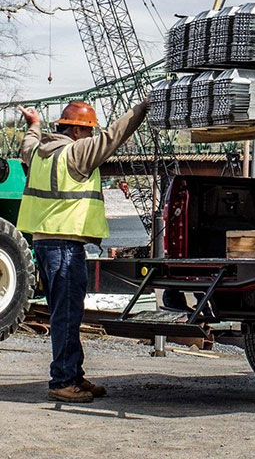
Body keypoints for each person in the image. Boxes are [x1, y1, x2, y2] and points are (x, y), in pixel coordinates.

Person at [17, 99, 148, 403]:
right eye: (89, 131)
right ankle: (63, 380)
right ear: (76, 130)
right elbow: (114, 136)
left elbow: (30, 139)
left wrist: (33, 122)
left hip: (44, 244)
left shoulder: (37, 153)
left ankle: (73, 373)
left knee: (66, 313)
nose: (92, 137)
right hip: (64, 246)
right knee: (67, 315)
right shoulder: (77, 152)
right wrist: (142, 108)